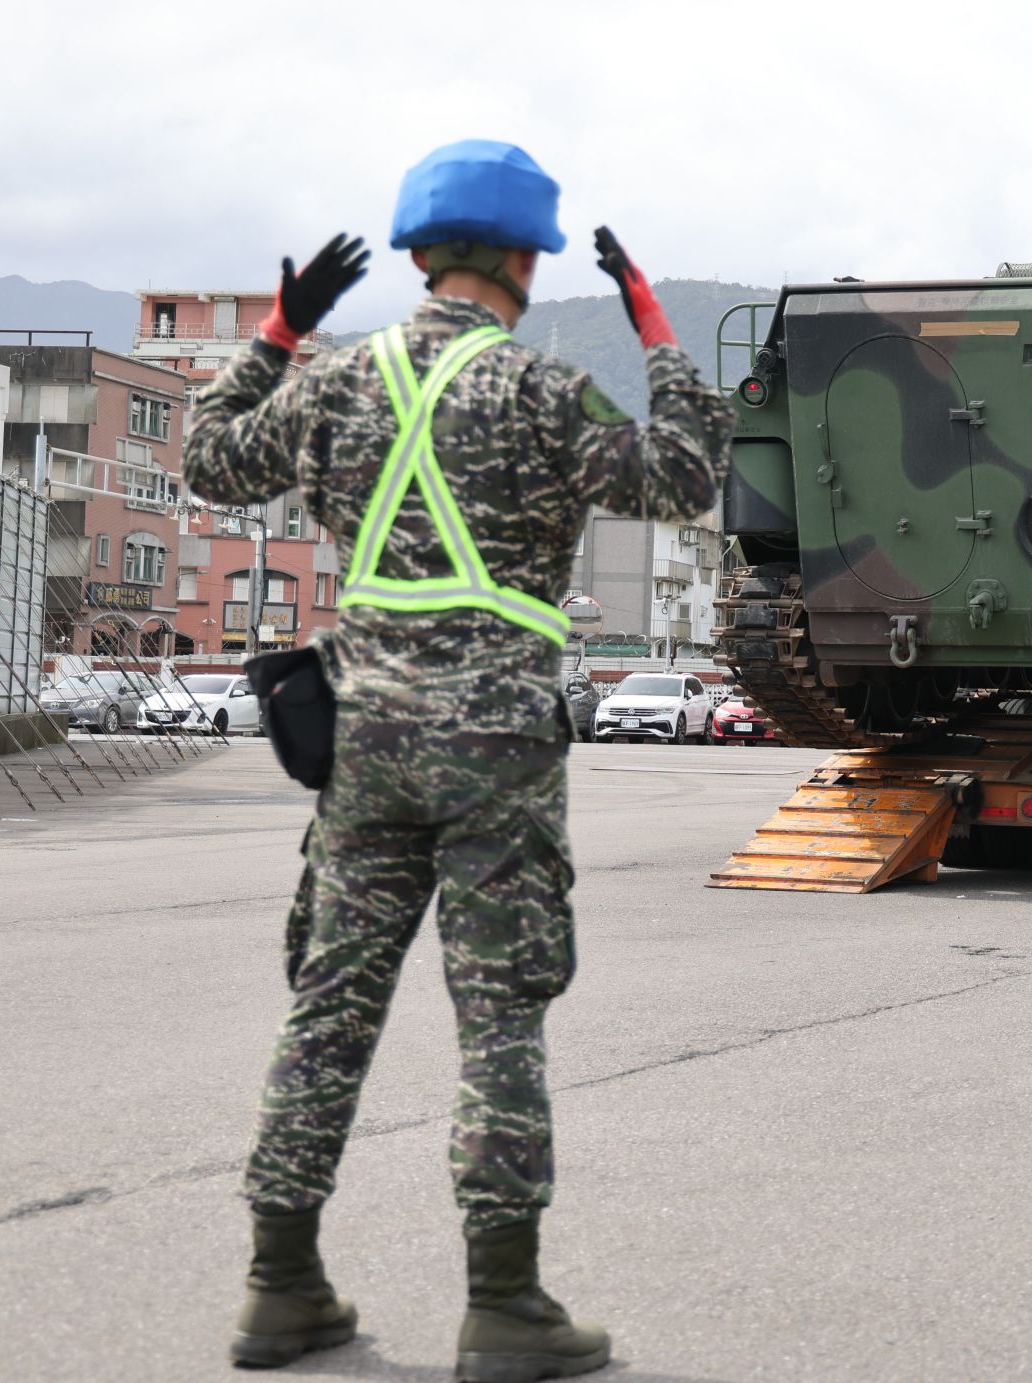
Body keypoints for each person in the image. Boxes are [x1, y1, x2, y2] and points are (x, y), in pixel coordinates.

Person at [185, 139, 733, 1379]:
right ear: (528, 260)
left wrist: (278, 330)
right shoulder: (545, 395)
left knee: (328, 1010)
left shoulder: (335, 383)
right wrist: (657, 337)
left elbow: (211, 462)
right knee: (498, 1023)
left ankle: (280, 1288)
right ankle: (505, 1308)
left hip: (364, 747)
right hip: (497, 750)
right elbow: (688, 476)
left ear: (420, 250)